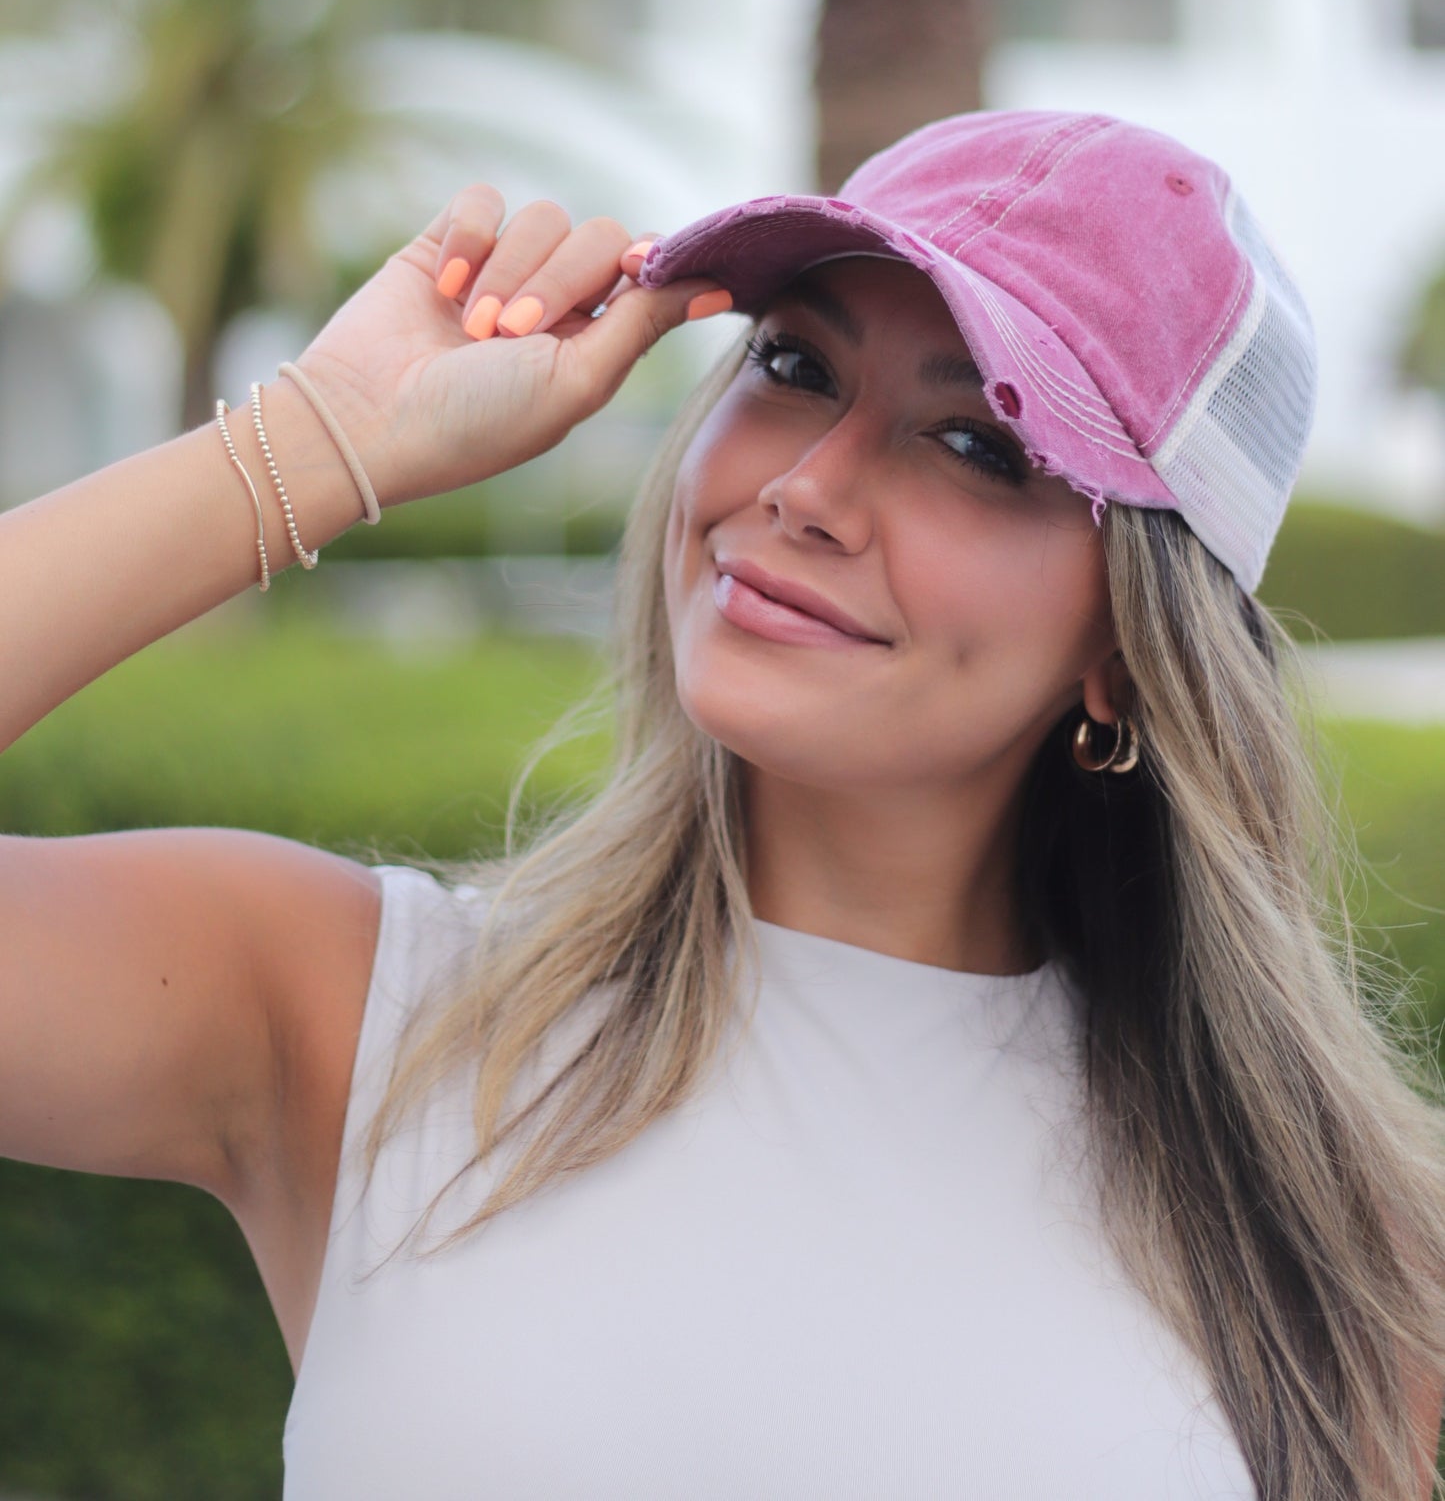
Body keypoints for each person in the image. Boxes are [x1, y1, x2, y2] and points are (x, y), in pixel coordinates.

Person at [1, 106, 1442, 1500]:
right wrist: (325, 438)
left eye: (976, 445)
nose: (810, 485)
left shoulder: (1340, 1251)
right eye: (795, 365)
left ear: (1126, 652)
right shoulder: (346, 1010)